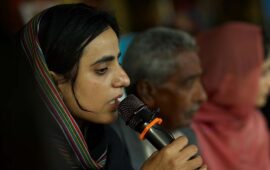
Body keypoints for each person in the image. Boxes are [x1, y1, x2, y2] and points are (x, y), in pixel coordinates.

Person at [4, 3, 205, 170]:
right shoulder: (23, 154)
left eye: (118, 62)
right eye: (102, 69)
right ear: (52, 83)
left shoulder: (107, 142)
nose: (124, 79)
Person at [113, 27, 207, 170]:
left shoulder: (187, 134)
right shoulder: (110, 144)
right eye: (188, 83)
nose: (202, 96)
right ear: (148, 91)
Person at [192, 22, 270, 170]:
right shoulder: (189, 133)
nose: (269, 82)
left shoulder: (255, 124)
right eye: (263, 73)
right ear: (228, 77)